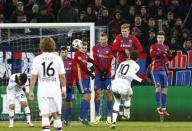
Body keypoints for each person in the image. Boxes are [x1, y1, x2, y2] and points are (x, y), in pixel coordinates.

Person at [29, 37, 67, 131]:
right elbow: (62, 76)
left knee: (44, 115)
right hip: (55, 90)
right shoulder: (58, 58)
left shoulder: (37, 59)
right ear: (53, 46)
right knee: (56, 115)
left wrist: (30, 91)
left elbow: (34, 77)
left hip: (43, 90)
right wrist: (64, 89)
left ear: (41, 46)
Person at [110, 51, 143, 129]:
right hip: (124, 86)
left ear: (130, 56)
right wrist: (141, 80)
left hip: (115, 85)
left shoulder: (122, 63)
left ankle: (114, 122)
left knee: (117, 101)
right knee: (129, 96)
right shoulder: (136, 65)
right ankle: (126, 114)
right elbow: (131, 74)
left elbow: (116, 73)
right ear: (137, 59)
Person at [149, 31, 177, 116]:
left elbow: (168, 58)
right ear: (157, 38)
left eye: (162, 38)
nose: (160, 39)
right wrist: (161, 53)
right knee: (158, 87)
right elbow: (152, 55)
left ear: (164, 39)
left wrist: (172, 56)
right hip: (156, 69)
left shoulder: (166, 47)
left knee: (165, 89)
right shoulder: (153, 46)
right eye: (159, 38)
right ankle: (158, 108)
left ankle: (164, 109)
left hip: (164, 70)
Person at [92, 33, 113, 125]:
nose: (103, 41)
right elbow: (95, 60)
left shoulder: (111, 48)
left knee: (108, 93)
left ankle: (109, 116)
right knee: (97, 93)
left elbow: (109, 61)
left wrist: (105, 71)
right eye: (101, 39)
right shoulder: (95, 48)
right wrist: (100, 71)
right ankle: (97, 115)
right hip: (98, 74)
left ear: (107, 39)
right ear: (99, 40)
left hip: (107, 74)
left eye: (104, 39)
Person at [73, 41, 95, 126]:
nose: (84, 49)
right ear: (79, 48)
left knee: (88, 97)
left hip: (86, 78)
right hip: (80, 78)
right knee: (86, 96)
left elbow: (92, 61)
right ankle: (82, 117)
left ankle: (84, 117)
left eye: (85, 48)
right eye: (82, 48)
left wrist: (96, 66)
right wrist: (90, 72)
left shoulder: (85, 55)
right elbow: (82, 65)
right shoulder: (77, 54)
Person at [60, 46, 74, 127]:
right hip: (59, 86)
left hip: (69, 86)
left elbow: (74, 73)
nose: (64, 54)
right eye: (62, 52)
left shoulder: (71, 61)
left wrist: (73, 83)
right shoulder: (57, 61)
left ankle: (68, 120)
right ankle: (61, 120)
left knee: (69, 103)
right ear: (60, 53)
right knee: (60, 103)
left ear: (67, 53)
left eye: (65, 52)